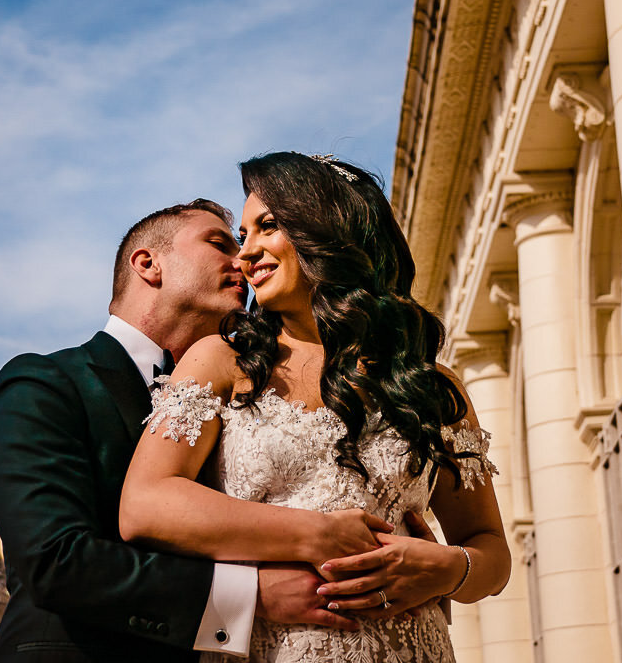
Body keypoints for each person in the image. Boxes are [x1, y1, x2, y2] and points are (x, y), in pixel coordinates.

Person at [120, 153, 510, 662]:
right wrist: (318, 535)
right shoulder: (221, 362)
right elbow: (146, 505)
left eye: (268, 226)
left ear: (329, 230)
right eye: (243, 236)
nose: (246, 254)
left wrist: (446, 568)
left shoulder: (430, 386)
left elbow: (491, 551)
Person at [0, 198, 385, 663]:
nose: (242, 258)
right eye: (219, 243)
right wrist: (247, 596)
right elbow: (55, 559)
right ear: (148, 264)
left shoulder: (242, 394)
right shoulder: (46, 382)